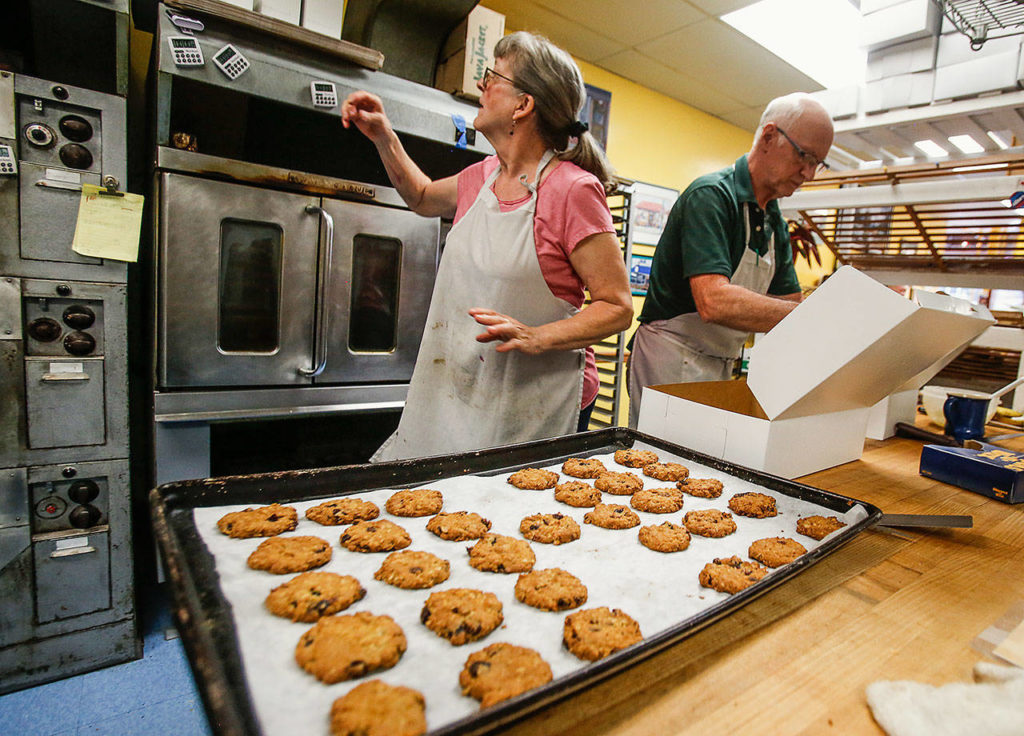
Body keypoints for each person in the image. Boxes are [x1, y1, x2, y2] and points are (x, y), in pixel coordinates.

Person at [341, 31, 633, 461]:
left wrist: (537, 336)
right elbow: (421, 197)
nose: (481, 85)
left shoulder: (572, 190)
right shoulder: (481, 177)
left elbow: (618, 305)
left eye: (491, 76)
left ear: (523, 104)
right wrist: (384, 136)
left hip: (540, 399)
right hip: (468, 386)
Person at [627, 93, 834, 428]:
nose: (808, 173)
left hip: (722, 364)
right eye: (805, 156)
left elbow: (789, 306)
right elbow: (714, 302)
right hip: (672, 360)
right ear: (769, 136)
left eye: (818, 163)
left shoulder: (773, 221)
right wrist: (815, 315)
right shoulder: (711, 197)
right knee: (659, 468)